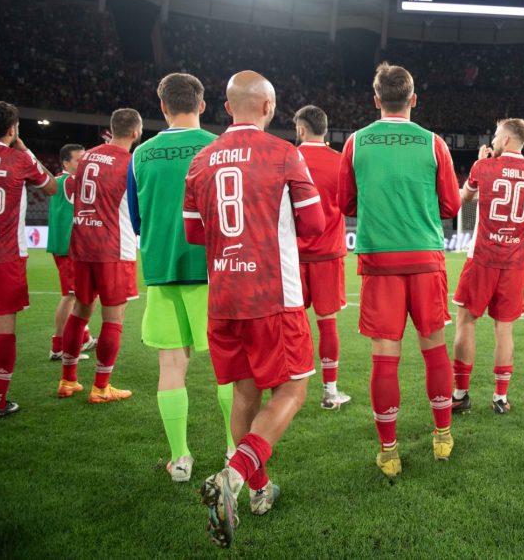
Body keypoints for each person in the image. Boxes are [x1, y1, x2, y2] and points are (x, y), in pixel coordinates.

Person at [185, 71, 324, 548]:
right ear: (268, 107)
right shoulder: (285, 153)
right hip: (272, 295)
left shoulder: (201, 159)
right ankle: (235, 474)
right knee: (293, 390)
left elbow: (194, 232)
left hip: (224, 296)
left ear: (227, 107)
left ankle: (259, 491)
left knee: (245, 394)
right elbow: (314, 223)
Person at [338, 62, 461, 479]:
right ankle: (442, 437)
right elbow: (451, 205)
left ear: (376, 100)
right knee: (434, 350)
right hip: (425, 257)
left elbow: (345, 202)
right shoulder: (433, 143)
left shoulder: (355, 142)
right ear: (413, 99)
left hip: (379, 260)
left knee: (385, 358)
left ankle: (389, 452)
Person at [129, 73, 235, 483]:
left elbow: (136, 220)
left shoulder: (141, 154)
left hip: (162, 269)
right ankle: (233, 450)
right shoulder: (218, 147)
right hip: (212, 271)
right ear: (202, 105)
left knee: (171, 365)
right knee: (228, 366)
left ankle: (179, 460)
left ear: (162, 106)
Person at [451, 118, 524, 414]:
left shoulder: (484, 167)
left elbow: (464, 197)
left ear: (505, 139)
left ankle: (460, 394)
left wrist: (479, 164)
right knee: (504, 329)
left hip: (483, 256)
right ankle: (500, 398)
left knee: (466, 321)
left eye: (495, 135)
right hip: (516, 259)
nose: (492, 140)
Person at [57, 108, 143, 403]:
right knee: (113, 317)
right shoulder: (131, 163)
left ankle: (68, 380)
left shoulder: (87, 157)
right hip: (113, 248)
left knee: (80, 310)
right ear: (135, 132)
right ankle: (101, 387)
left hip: (82, 245)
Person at [0, 101, 57, 419]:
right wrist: (24, 149)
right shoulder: (19, 158)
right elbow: (52, 186)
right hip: (4, 256)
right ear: (12, 129)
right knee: (3, 332)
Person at [294, 105, 350, 410]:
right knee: (327, 323)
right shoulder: (339, 162)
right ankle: (330, 392)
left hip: (292, 255)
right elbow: (350, 204)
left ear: (301, 129)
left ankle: (289, 390)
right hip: (328, 254)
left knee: (293, 322)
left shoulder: (288, 158)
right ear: (324, 129)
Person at [47, 143, 97, 363]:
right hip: (70, 247)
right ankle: (58, 347)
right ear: (66, 163)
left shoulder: (59, 181)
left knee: (81, 294)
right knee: (71, 295)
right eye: (79, 160)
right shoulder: (70, 181)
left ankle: (83, 337)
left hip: (65, 245)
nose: (84, 163)